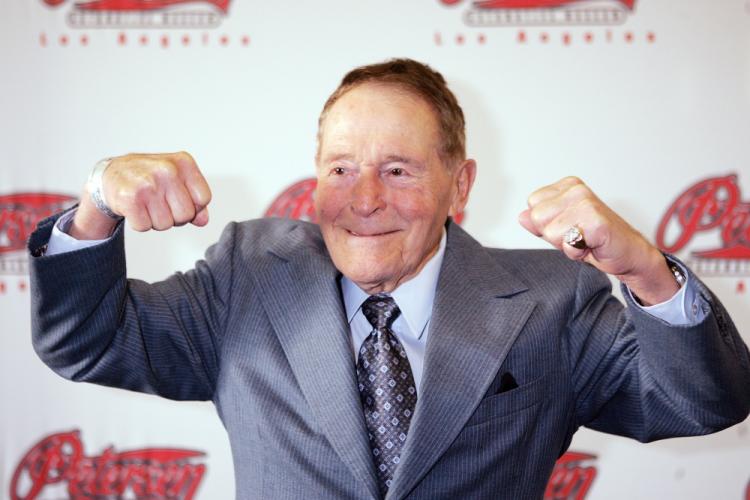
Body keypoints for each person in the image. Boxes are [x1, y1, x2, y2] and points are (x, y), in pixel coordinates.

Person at [29, 59, 750, 500]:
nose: (364, 197)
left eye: (398, 170)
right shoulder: (247, 277)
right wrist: (96, 204)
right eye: (341, 168)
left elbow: (700, 405)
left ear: (458, 184)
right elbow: (85, 343)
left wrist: (644, 271)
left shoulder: (553, 301)